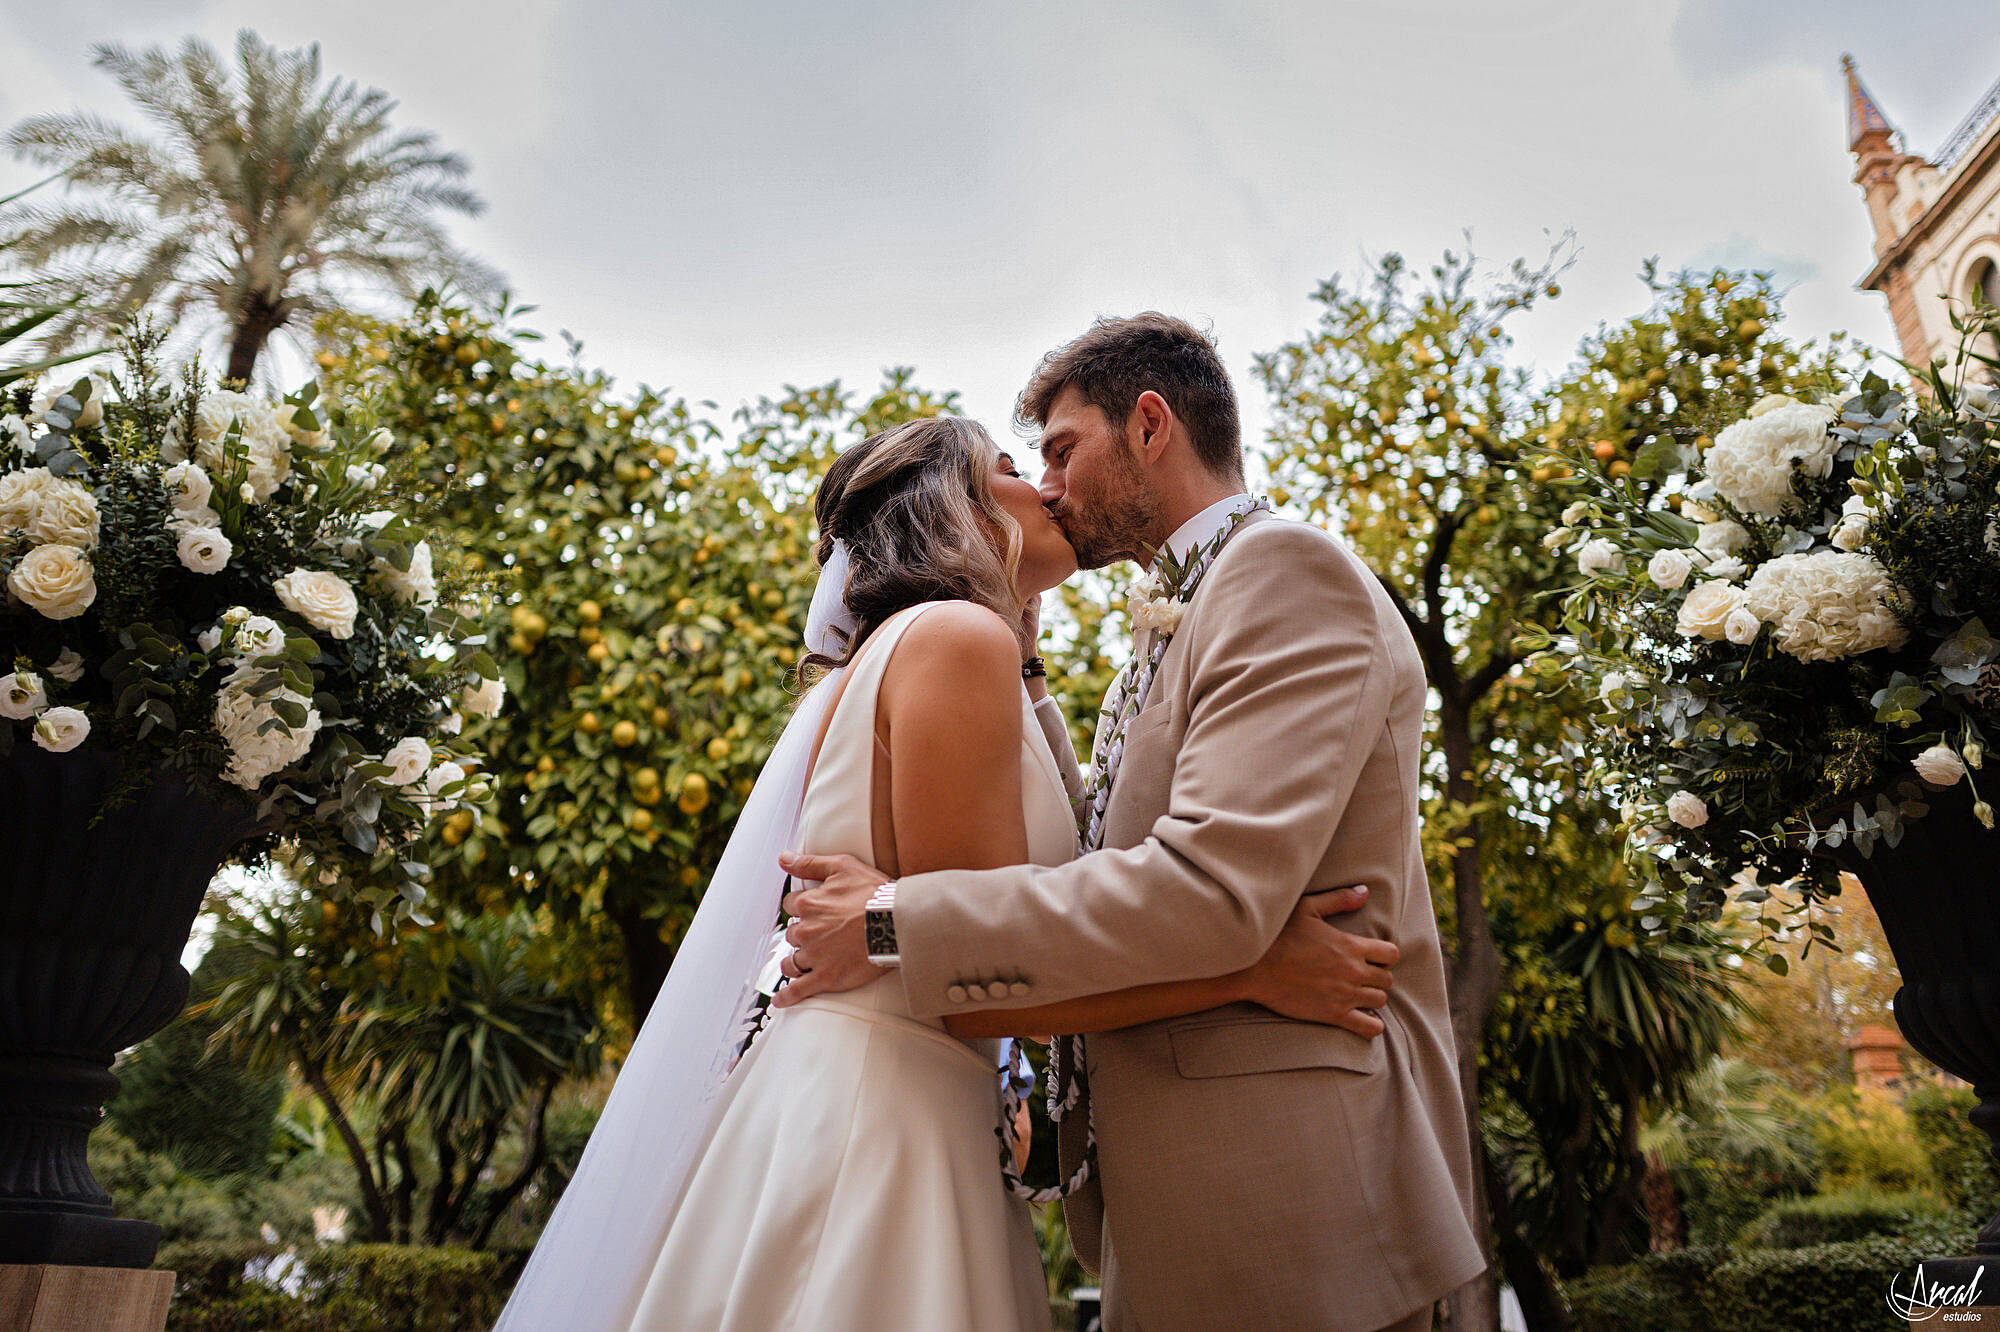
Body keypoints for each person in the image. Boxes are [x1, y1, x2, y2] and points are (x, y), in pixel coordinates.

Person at [493, 414, 1399, 1332]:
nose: (1045, 490)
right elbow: (976, 986)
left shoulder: (921, 651)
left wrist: (1031, 668)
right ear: (954, 507)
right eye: (1012, 468)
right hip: (885, 1128)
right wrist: (1250, 972)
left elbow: (1063, 875)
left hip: (871, 1099)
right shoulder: (958, 641)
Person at [778, 316, 1487, 1332]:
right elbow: (1083, 868)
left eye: (1062, 451)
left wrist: (888, 921)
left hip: (1284, 1195)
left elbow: (1206, 893)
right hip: (1182, 1209)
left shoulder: (1282, 573)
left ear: (1149, 424)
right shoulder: (1159, 624)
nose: (1050, 486)